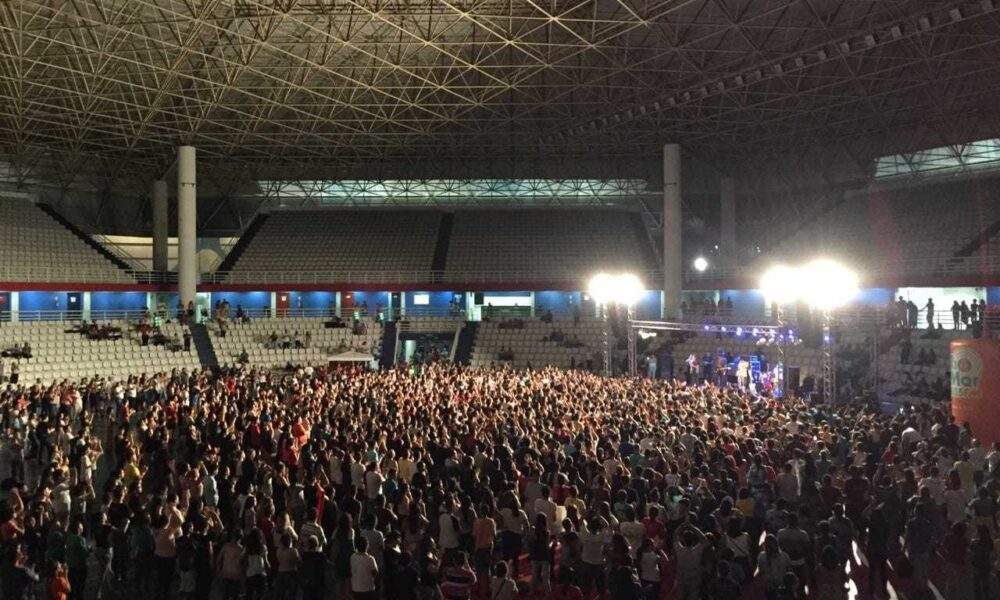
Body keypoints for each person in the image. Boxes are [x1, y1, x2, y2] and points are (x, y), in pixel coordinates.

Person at [350, 535, 378, 600]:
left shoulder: (352, 557)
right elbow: (375, 573)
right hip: (368, 588)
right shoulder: (370, 559)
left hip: (356, 588)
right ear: (367, 546)